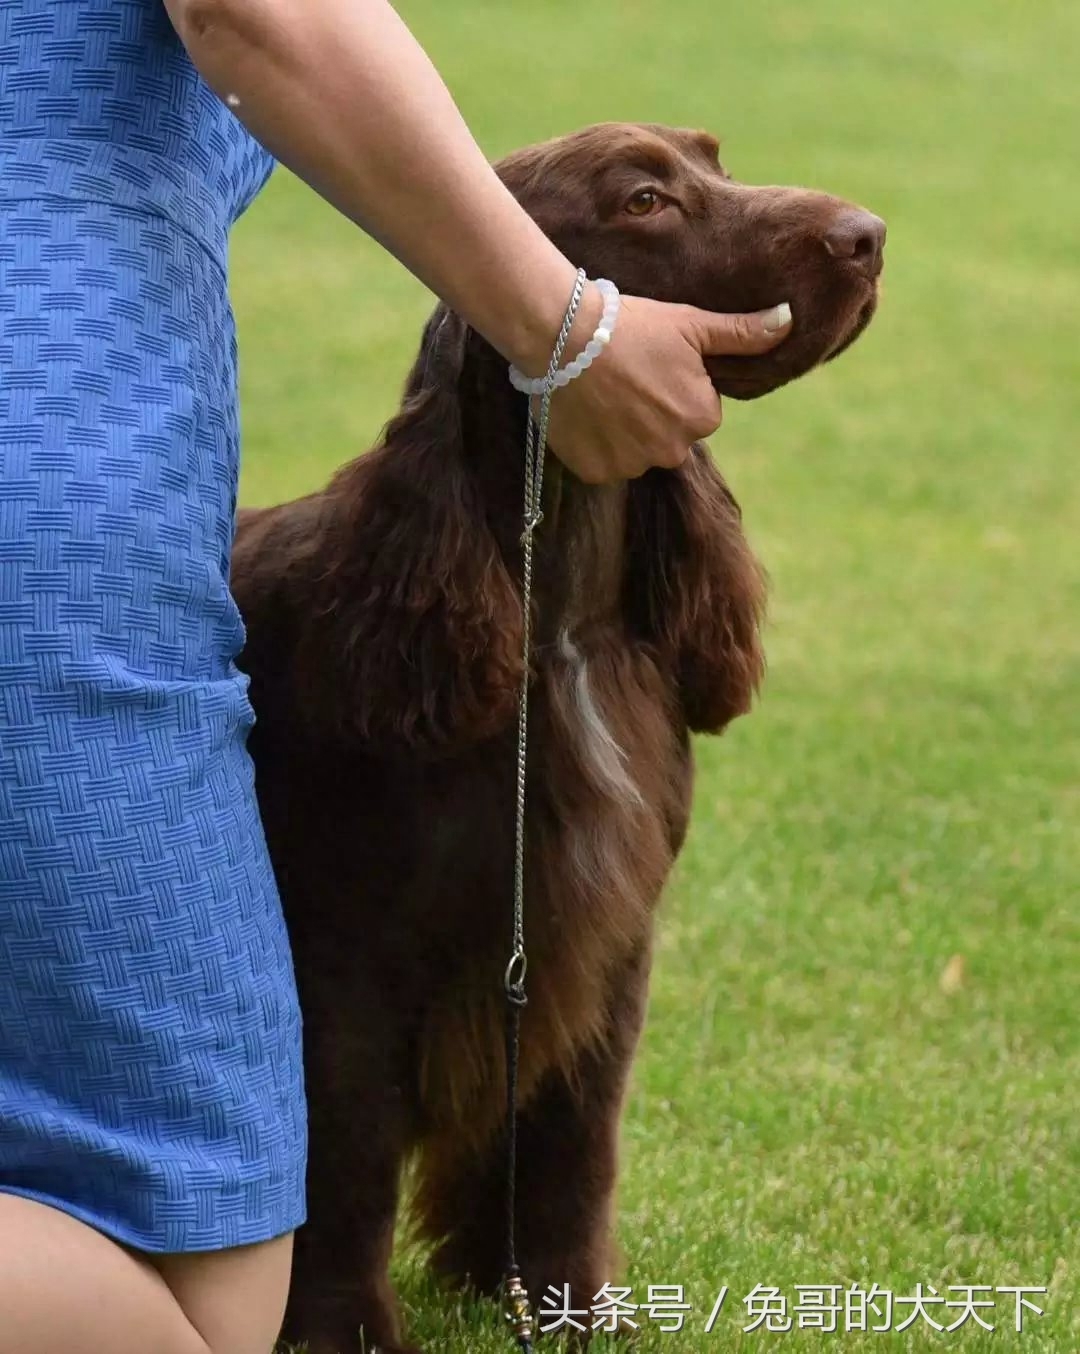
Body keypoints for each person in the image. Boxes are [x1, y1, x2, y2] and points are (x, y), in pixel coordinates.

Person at [0, 1, 792, 1351]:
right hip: (51, 453)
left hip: (77, 430)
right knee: (211, 1270)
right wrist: (565, 324)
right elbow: (261, 8)